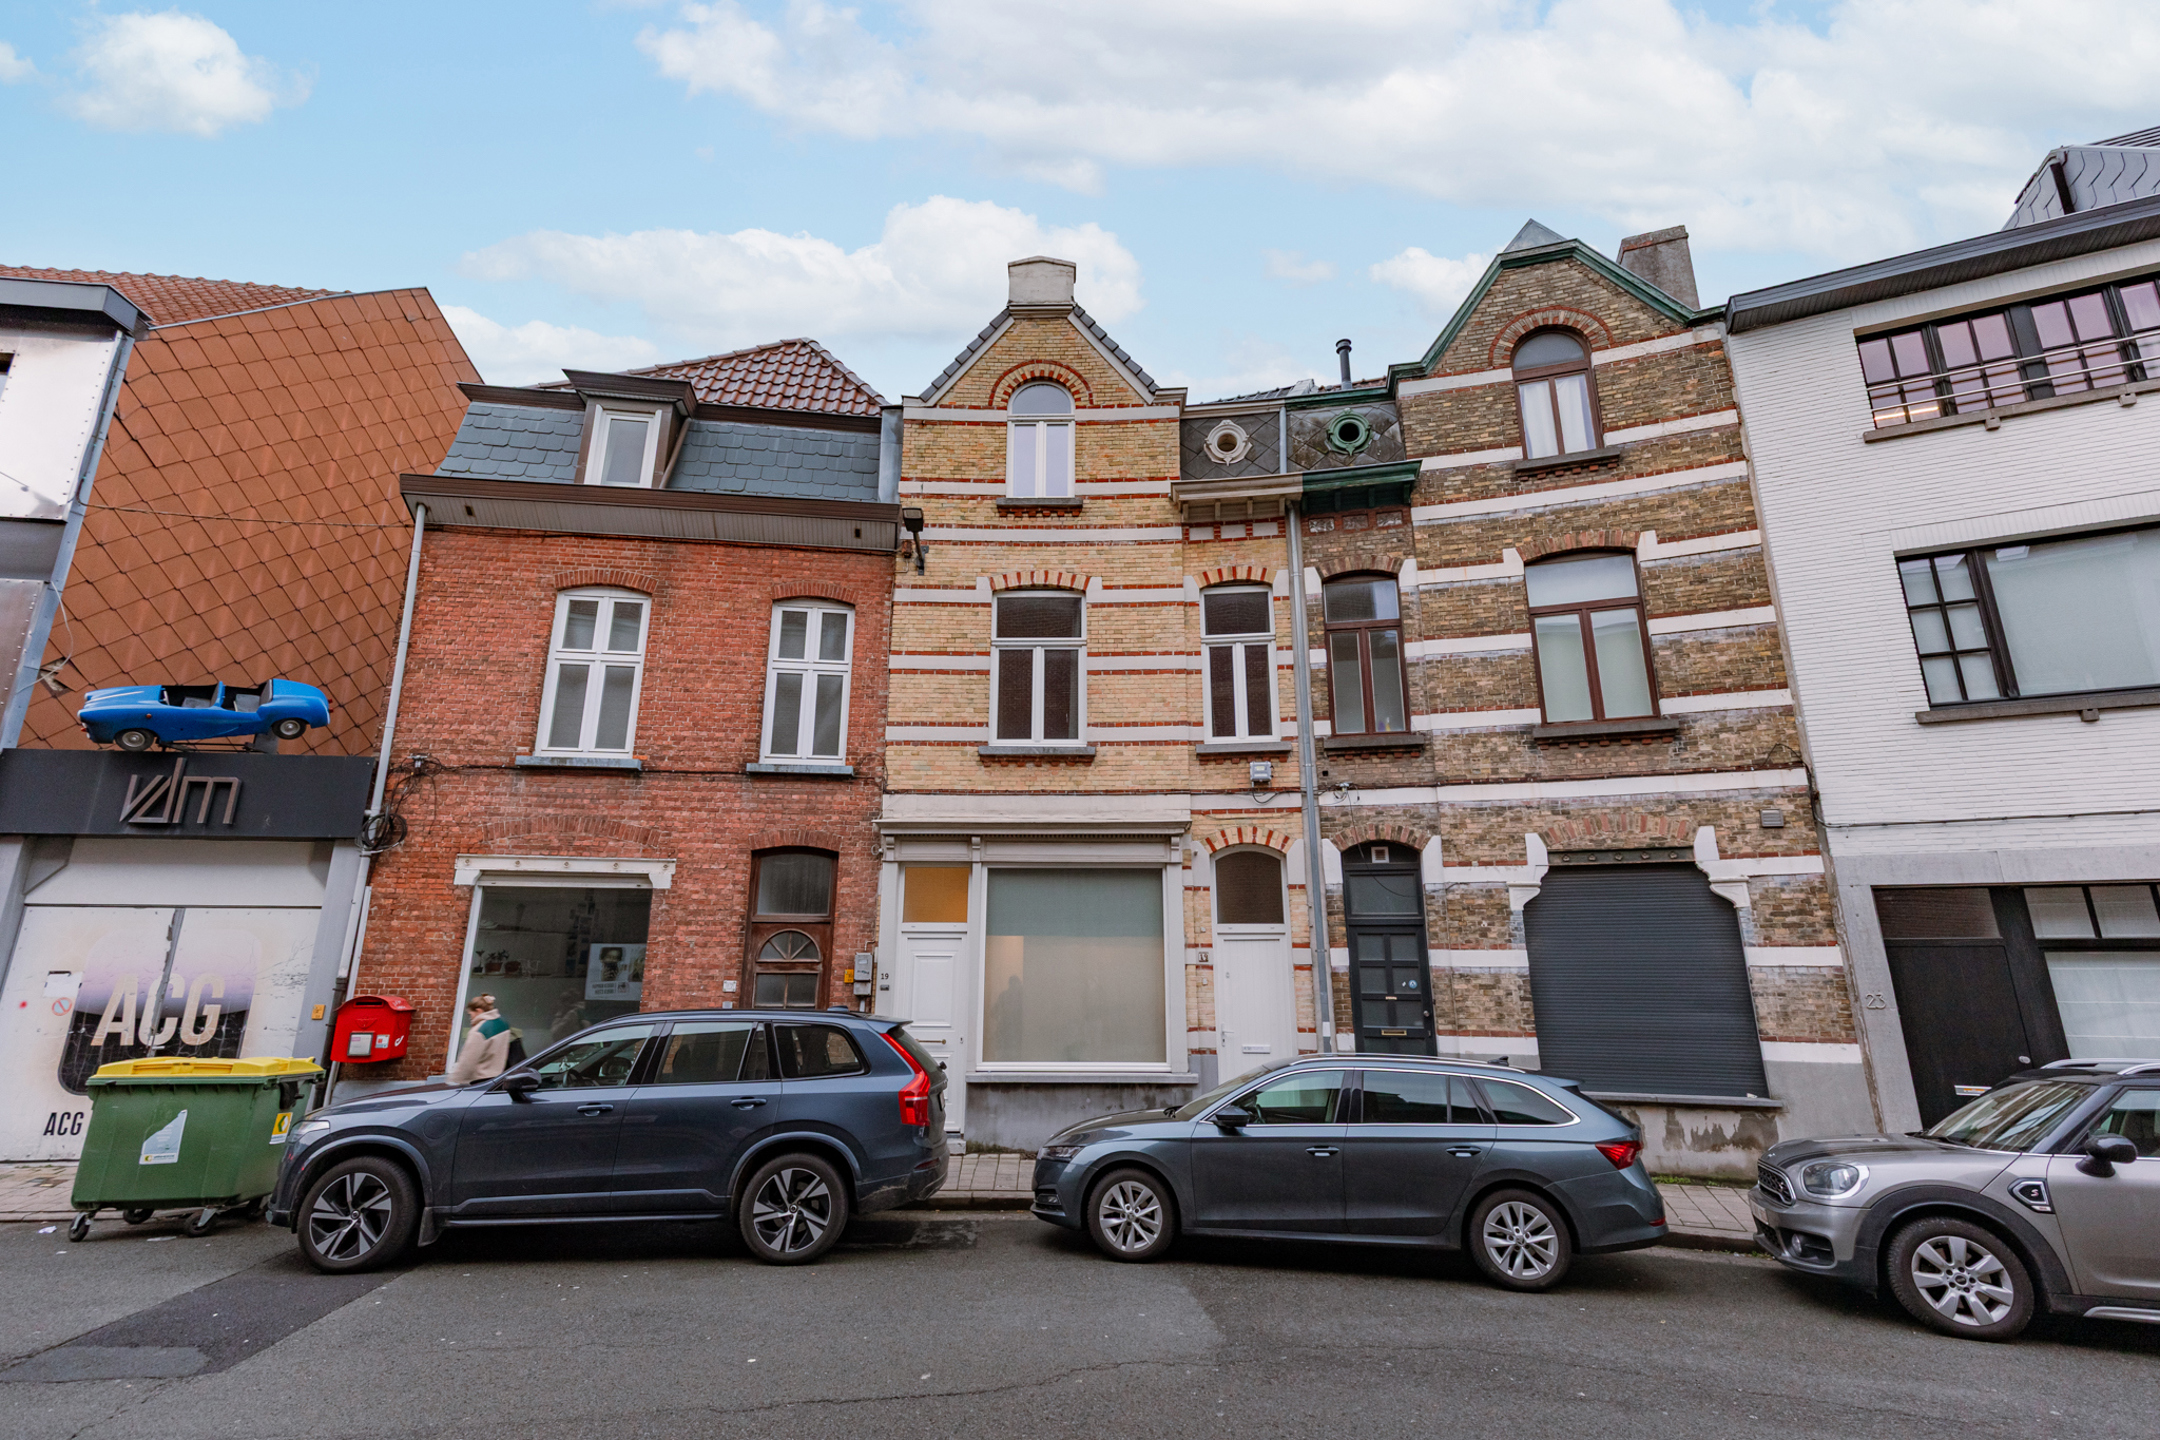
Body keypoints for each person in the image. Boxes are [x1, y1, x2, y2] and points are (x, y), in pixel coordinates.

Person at [448, 994, 514, 1084]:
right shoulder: (503, 1025)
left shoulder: (479, 1030)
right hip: (497, 1079)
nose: (470, 1017)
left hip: (479, 1081)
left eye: (470, 1014)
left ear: (478, 1011)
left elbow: (467, 1061)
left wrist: (454, 1080)